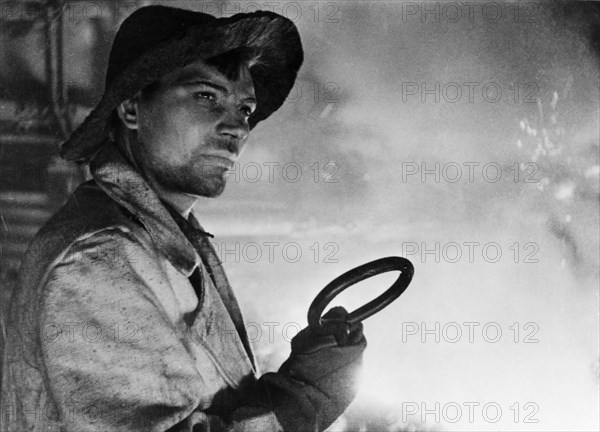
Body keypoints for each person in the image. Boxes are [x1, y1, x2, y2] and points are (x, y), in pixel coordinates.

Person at [0, 5, 366, 432]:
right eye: (206, 96)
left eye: (245, 110)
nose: (238, 128)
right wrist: (304, 398)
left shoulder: (162, 238)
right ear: (132, 109)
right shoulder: (98, 259)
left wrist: (305, 379)